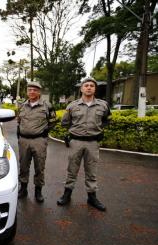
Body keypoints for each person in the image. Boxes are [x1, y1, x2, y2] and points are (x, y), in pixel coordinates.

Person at [57, 77, 111, 211]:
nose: (89, 87)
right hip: (76, 142)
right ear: (81, 88)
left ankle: (92, 197)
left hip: (93, 143)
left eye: (91, 86)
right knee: (72, 170)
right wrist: (75, 131)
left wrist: (96, 130)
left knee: (91, 171)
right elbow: (65, 122)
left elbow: (106, 120)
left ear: (95, 89)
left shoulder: (103, 105)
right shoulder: (72, 106)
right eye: (86, 85)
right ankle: (67, 194)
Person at [17, 81, 56, 202]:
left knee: (39, 166)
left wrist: (44, 131)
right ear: (27, 92)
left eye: (35, 90)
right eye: (30, 90)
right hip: (24, 141)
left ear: (39, 92)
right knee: (23, 166)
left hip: (39, 140)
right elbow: (19, 121)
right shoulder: (21, 106)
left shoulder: (47, 105)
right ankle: (23, 188)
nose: (32, 92)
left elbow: (53, 121)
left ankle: (38, 191)